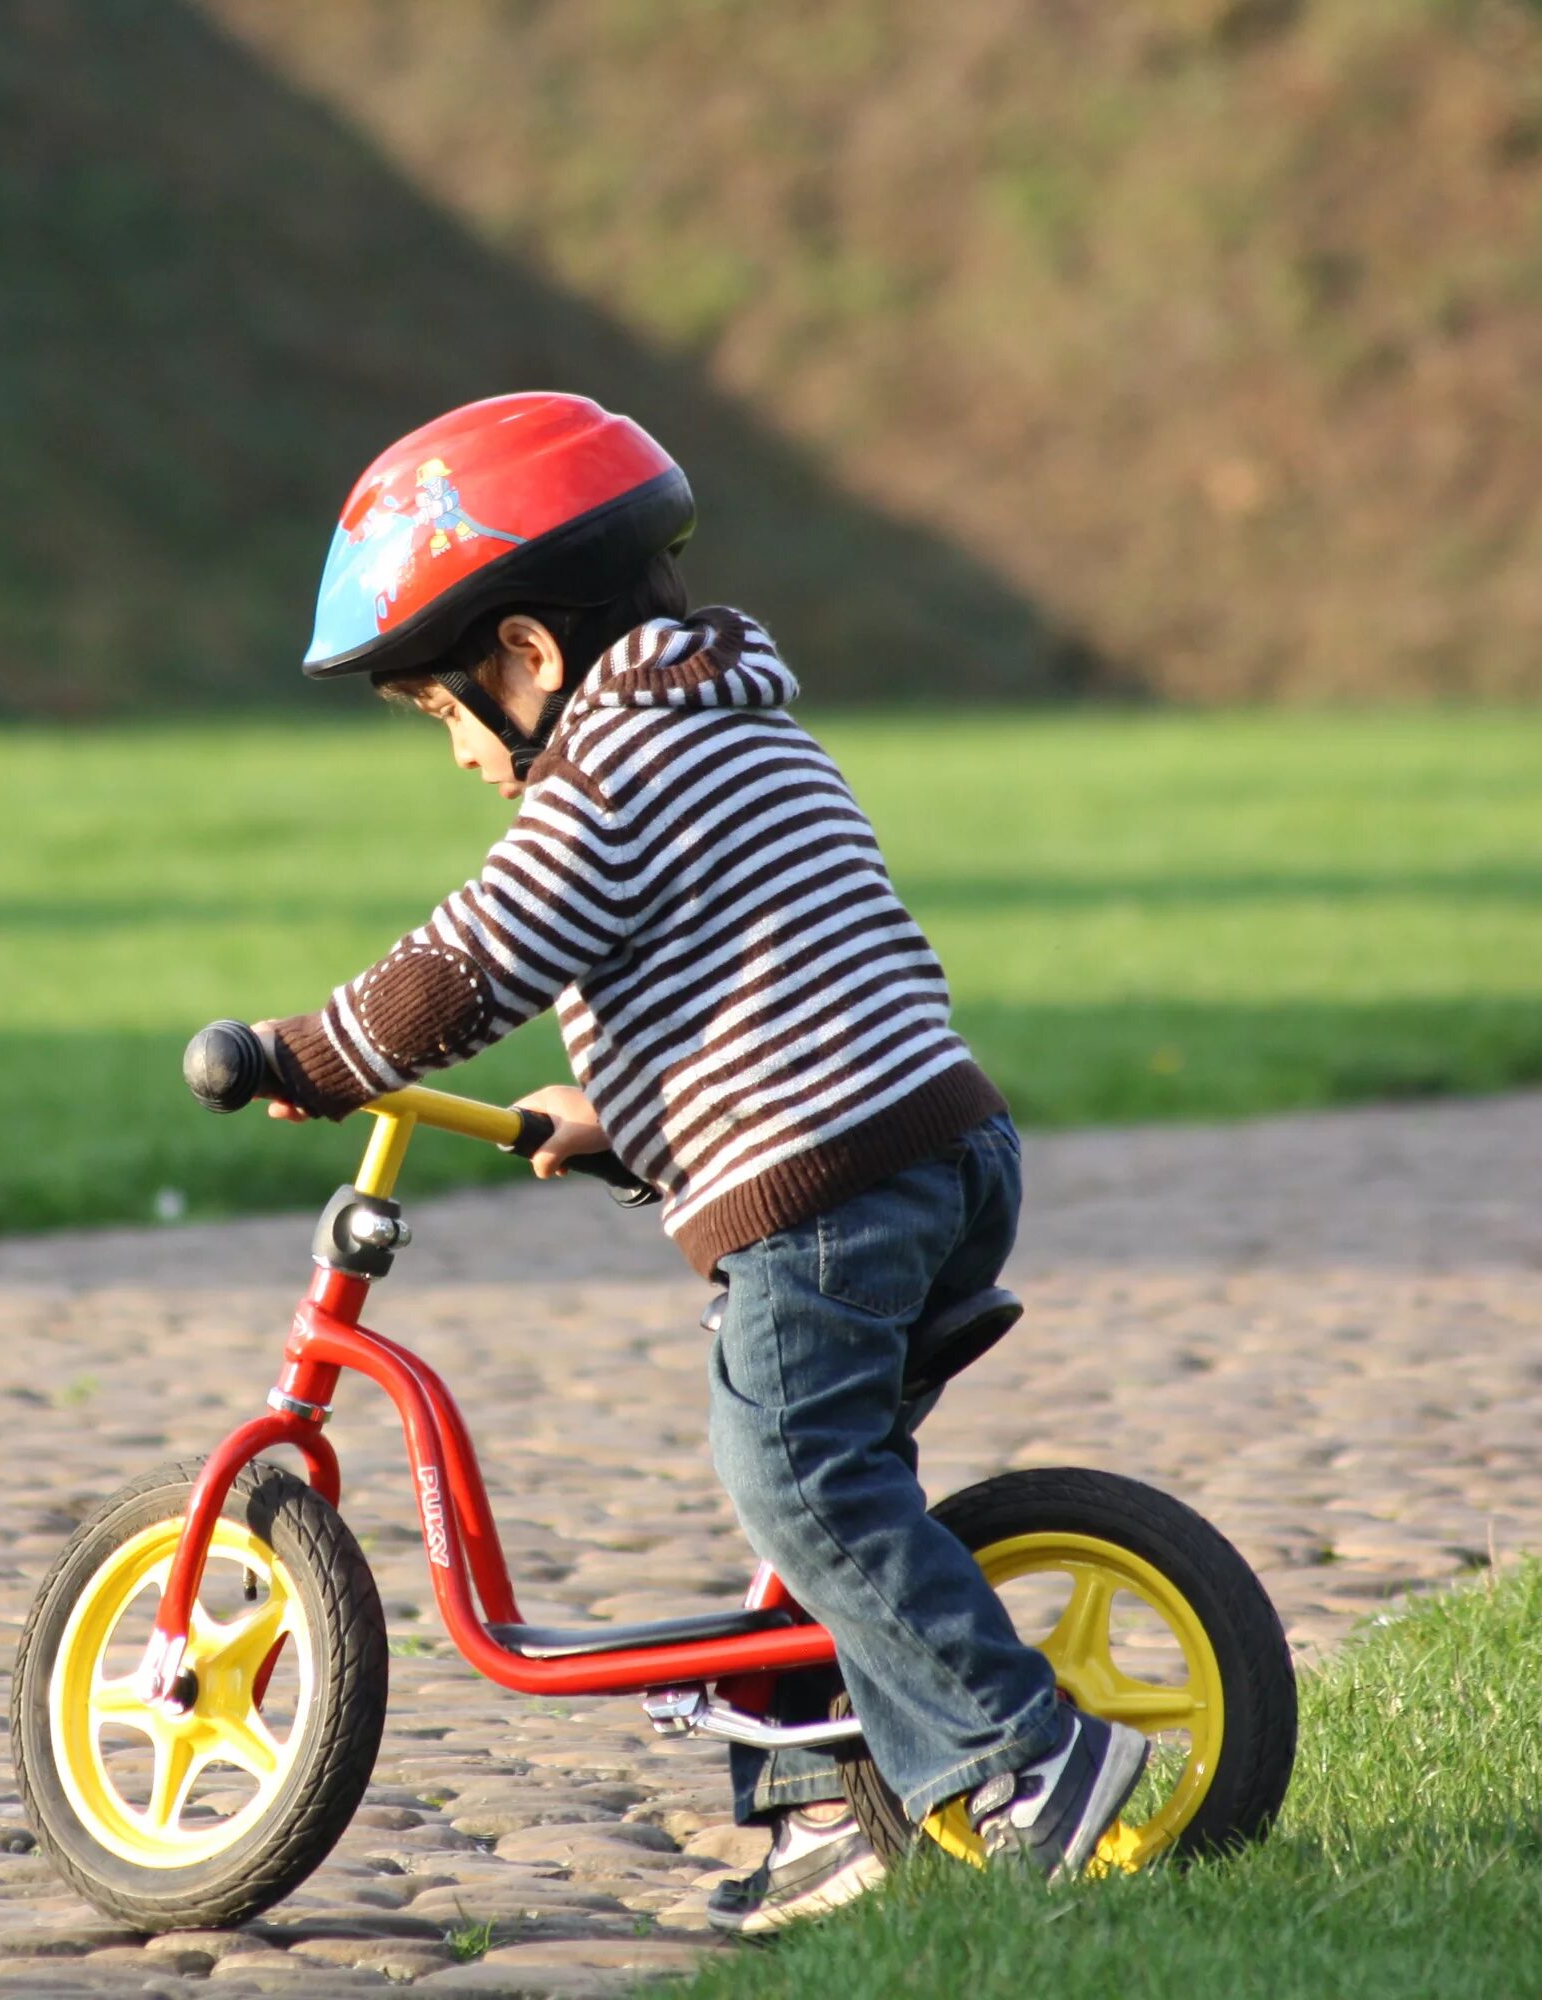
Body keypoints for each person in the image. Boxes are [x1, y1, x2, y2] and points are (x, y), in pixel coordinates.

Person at [259, 392, 1145, 1930]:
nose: (461, 753)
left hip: (839, 1183)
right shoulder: (735, 730)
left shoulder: (609, 774)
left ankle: (1029, 1761)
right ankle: (835, 1808)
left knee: (797, 1471)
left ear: (526, 657)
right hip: (933, 1137)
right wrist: (618, 1112)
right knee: (819, 1489)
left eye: (444, 712)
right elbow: (771, 965)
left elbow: (482, 956)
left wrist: (320, 1052)